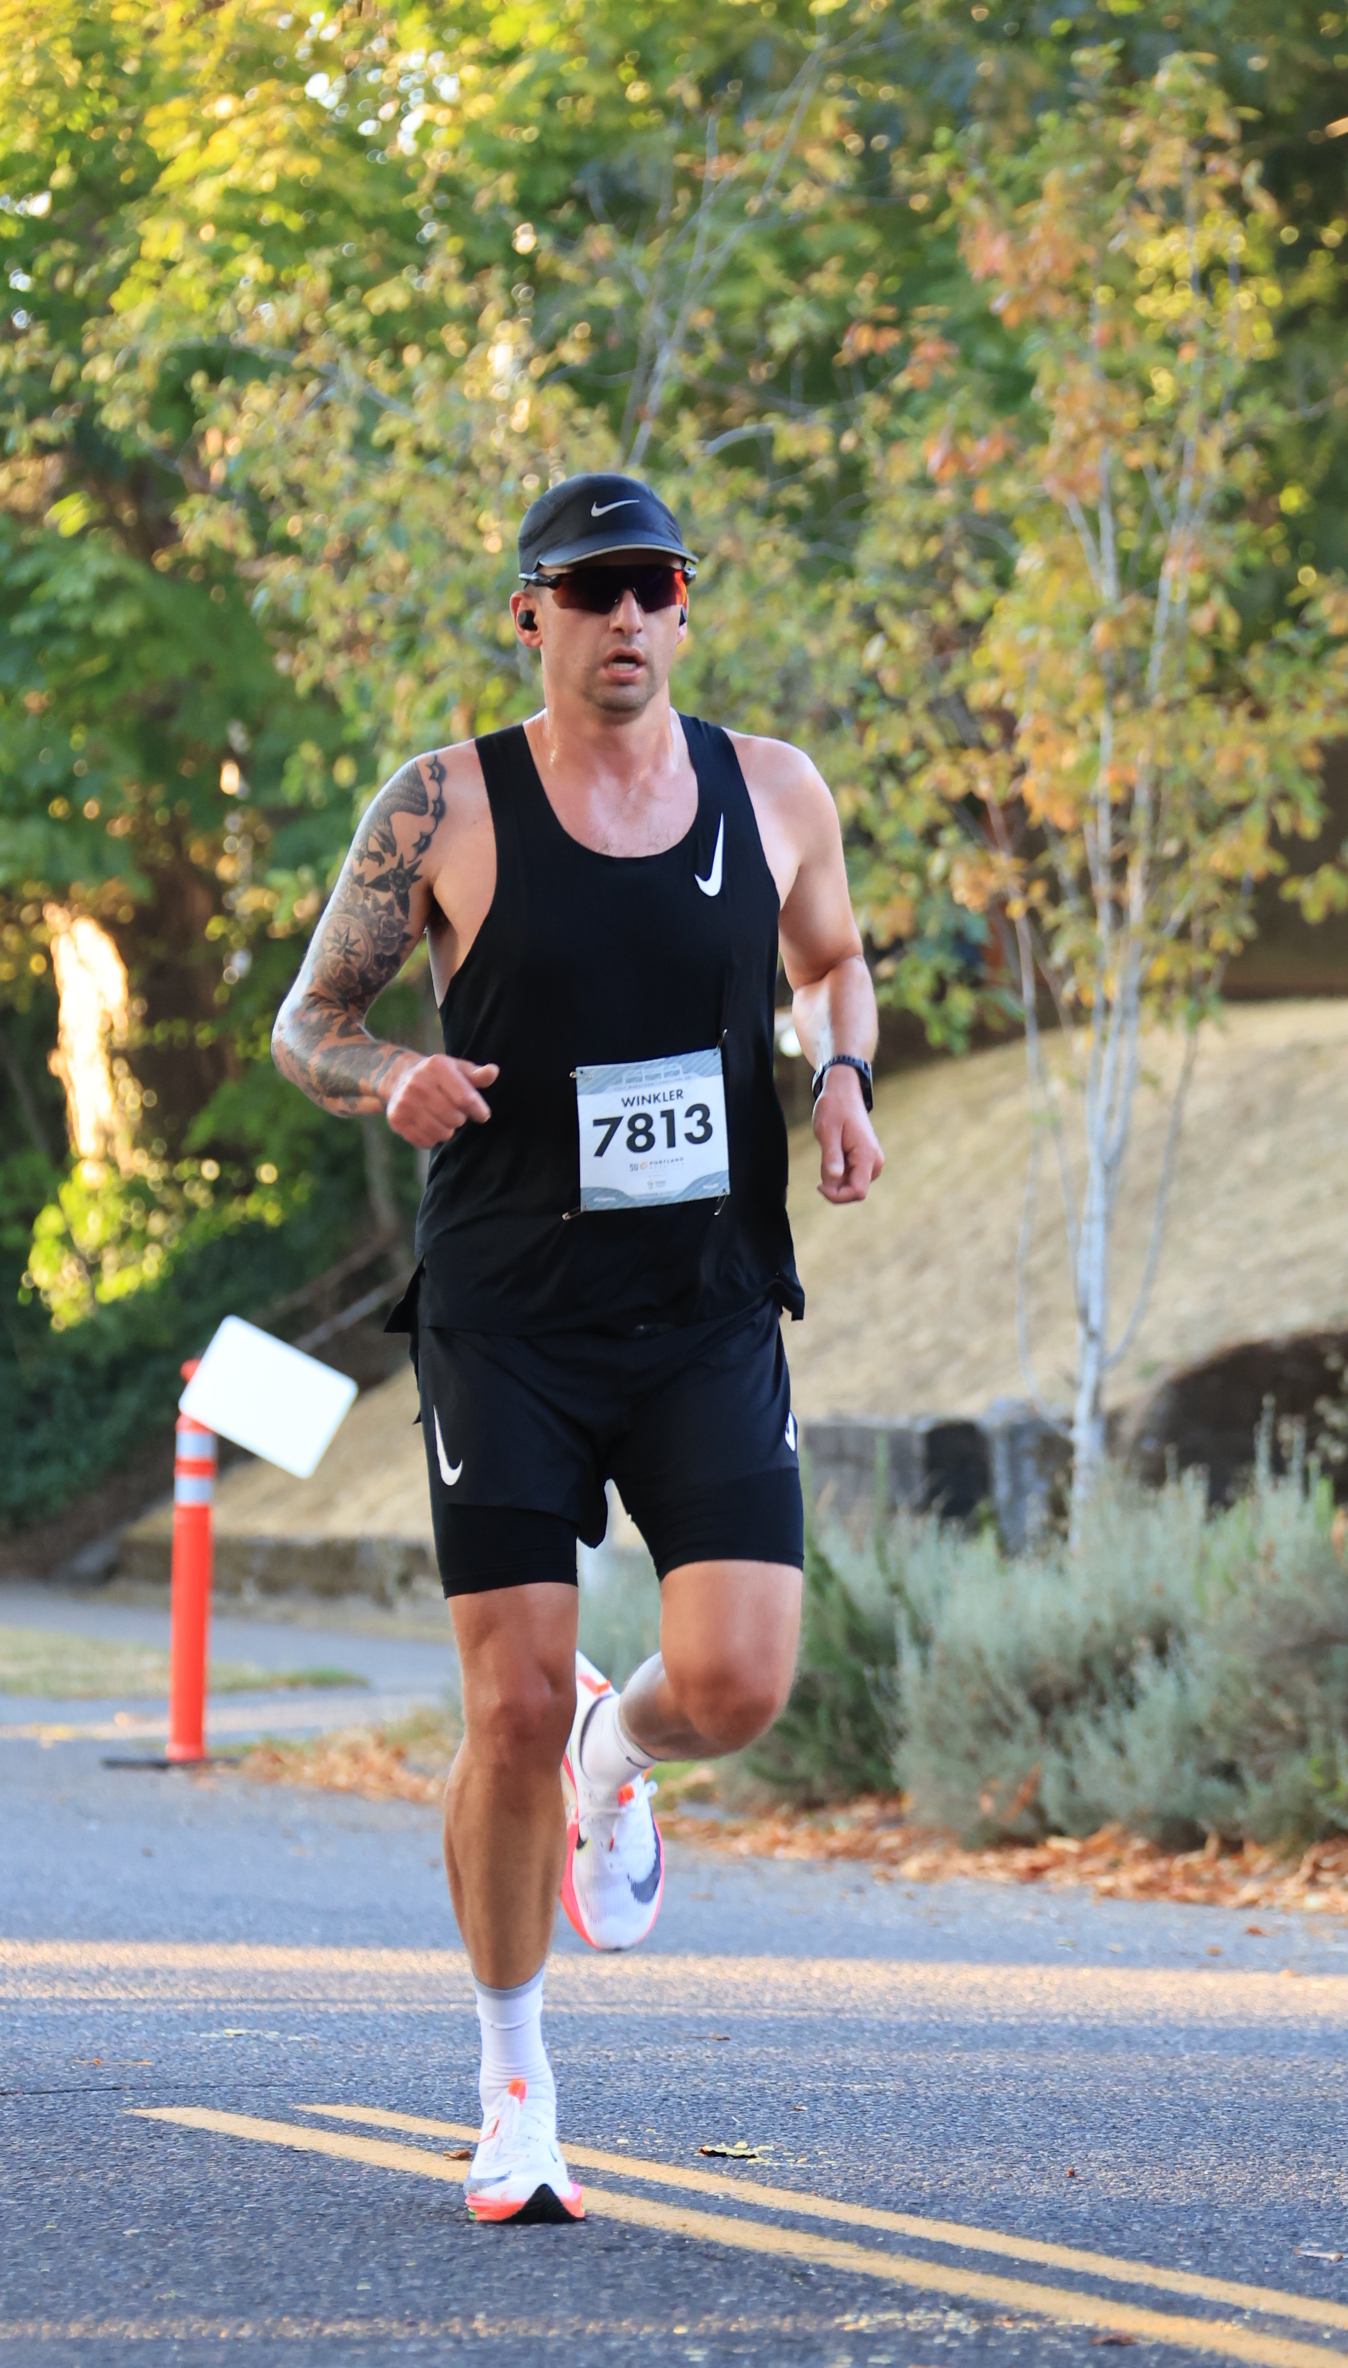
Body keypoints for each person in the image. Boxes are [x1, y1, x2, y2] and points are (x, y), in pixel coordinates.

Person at [271, 471, 883, 2224]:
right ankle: (514, 2084)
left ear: (687, 606)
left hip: (704, 1307)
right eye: (592, 588)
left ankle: (623, 1758)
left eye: (654, 587)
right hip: (510, 1320)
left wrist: (842, 1075)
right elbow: (308, 1021)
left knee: (740, 1685)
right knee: (512, 1704)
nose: (626, 618)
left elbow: (834, 963)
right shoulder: (443, 804)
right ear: (529, 613)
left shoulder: (774, 790)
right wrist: (393, 1073)